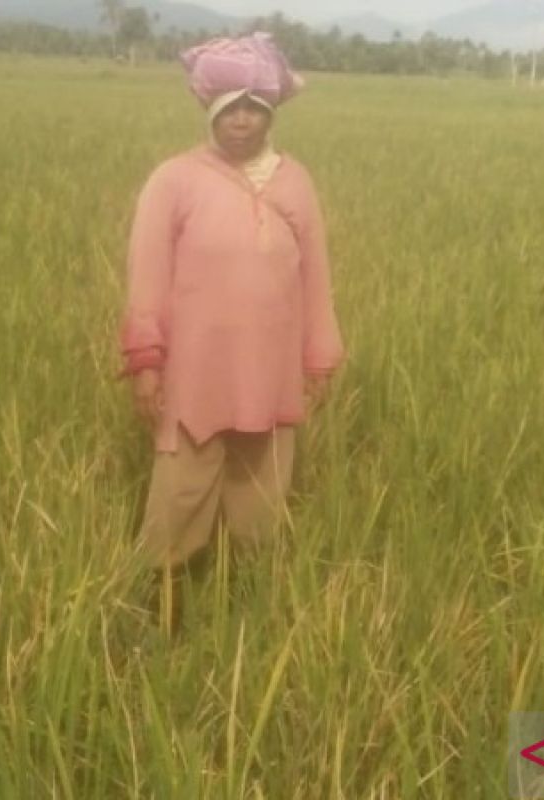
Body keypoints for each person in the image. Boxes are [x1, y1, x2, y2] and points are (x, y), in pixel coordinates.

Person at [118, 33, 345, 633]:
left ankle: (247, 621)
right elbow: (147, 276)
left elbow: (316, 276)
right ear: (210, 110)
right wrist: (146, 361)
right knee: (180, 497)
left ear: (270, 112)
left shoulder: (295, 182)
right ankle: (157, 620)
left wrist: (319, 357)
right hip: (195, 375)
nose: (241, 120)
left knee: (258, 505)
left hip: (270, 374)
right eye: (229, 108)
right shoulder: (175, 181)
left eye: (254, 107)